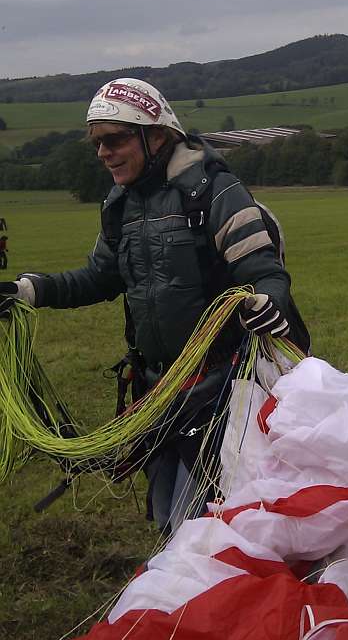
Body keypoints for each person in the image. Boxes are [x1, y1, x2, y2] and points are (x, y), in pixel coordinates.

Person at [0, 77, 309, 530]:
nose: (103, 152)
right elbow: (100, 277)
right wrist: (30, 290)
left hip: (220, 390)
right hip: (157, 390)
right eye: (97, 142)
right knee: (169, 514)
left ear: (157, 136)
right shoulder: (120, 204)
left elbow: (264, 272)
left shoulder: (216, 192)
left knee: (207, 519)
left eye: (114, 139)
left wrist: (269, 302)